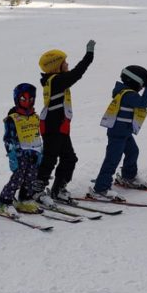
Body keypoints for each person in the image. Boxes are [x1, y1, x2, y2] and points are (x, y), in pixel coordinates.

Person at [34, 39, 96, 204]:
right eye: (64, 62)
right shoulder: (55, 80)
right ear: (56, 66)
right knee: (50, 158)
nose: (67, 64)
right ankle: (37, 191)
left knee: (69, 158)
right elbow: (76, 74)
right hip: (52, 125)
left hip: (60, 125)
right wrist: (89, 55)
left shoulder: (55, 80)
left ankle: (59, 189)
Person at [87, 66, 147, 202]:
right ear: (134, 82)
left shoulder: (125, 91)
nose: (142, 87)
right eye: (142, 84)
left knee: (133, 152)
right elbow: (143, 103)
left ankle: (128, 177)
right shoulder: (128, 94)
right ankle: (100, 188)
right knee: (112, 160)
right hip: (118, 133)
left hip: (124, 131)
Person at [0, 83, 43, 217]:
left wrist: (40, 152)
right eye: (23, 99)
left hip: (33, 153)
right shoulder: (12, 119)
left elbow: (37, 135)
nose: (27, 102)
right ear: (17, 99)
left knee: (31, 177)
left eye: (30, 99)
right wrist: (12, 155)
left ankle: (25, 199)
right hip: (20, 154)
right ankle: (5, 201)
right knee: (18, 177)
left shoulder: (34, 117)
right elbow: (8, 139)